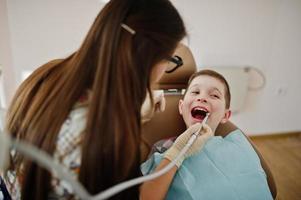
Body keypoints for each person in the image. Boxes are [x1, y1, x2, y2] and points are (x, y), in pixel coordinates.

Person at [1, 0, 213, 199]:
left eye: (214, 94)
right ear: (146, 54)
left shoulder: (47, 75)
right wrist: (177, 153)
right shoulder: (104, 138)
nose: (166, 71)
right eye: (169, 60)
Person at [141, 69, 273, 200]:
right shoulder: (164, 147)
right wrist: (176, 151)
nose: (202, 98)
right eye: (195, 92)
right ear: (181, 107)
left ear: (225, 115)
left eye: (214, 95)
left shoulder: (238, 146)